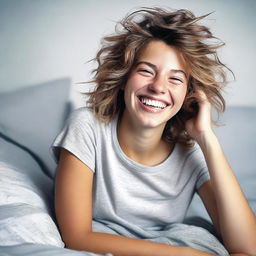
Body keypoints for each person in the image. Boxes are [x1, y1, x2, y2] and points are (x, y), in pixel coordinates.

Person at [50, 7, 256, 256]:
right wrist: (186, 255)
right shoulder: (87, 126)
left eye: (176, 79)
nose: (158, 87)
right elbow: (76, 237)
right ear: (125, 77)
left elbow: (248, 248)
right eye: (146, 71)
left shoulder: (192, 151)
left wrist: (207, 139)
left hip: (179, 239)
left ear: (188, 95)